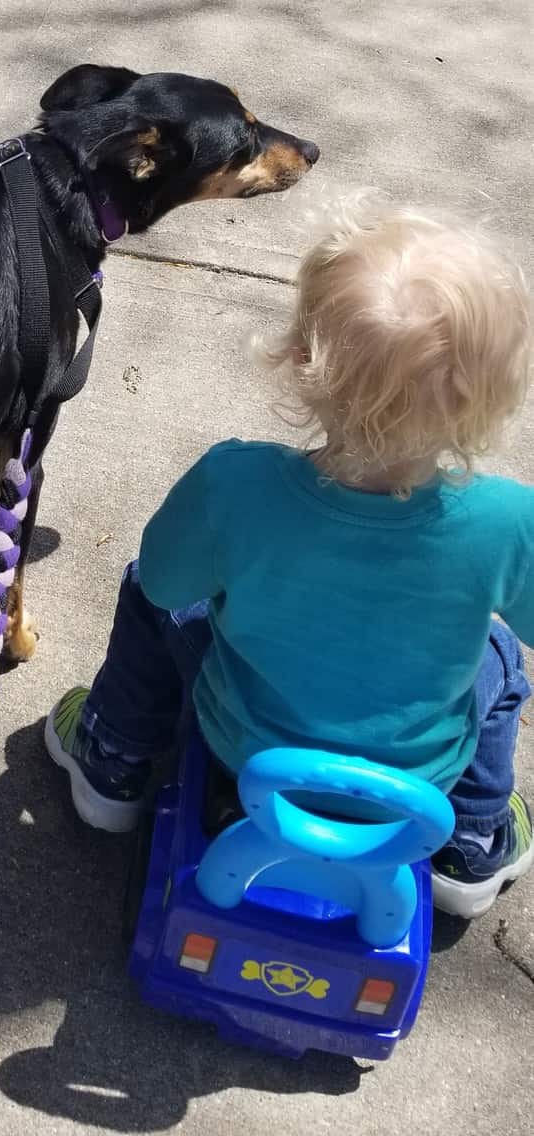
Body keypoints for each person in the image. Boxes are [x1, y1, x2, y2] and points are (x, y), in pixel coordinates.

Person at [45, 198, 534, 920]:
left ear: (303, 358)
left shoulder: (236, 485)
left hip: (250, 753)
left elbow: (168, 573)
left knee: (152, 594)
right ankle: (470, 838)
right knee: (500, 658)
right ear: (487, 399)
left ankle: (112, 759)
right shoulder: (508, 520)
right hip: (416, 781)